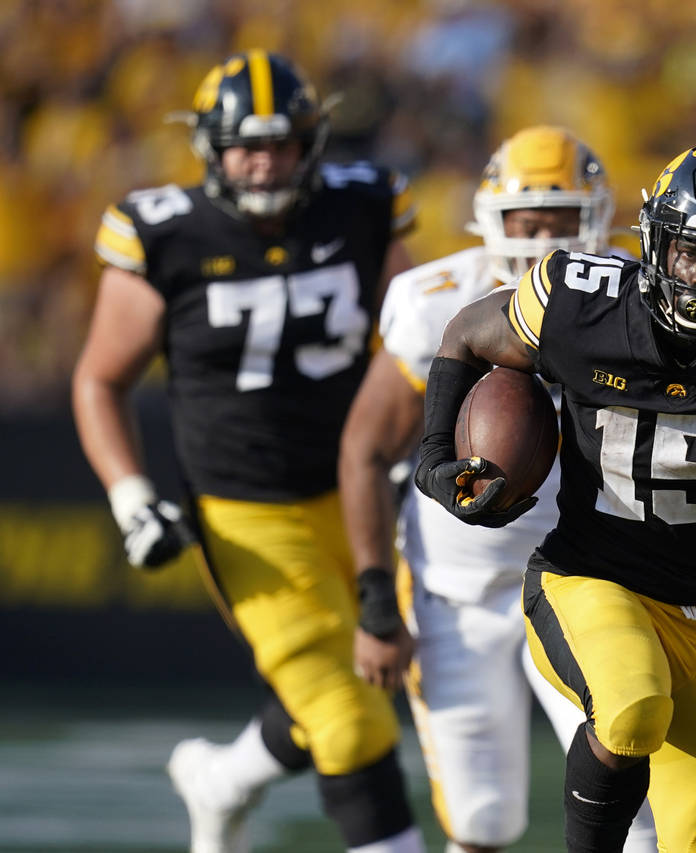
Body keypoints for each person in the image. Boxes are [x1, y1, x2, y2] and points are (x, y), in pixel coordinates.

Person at [407, 138, 696, 852]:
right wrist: (436, 456)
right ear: (655, 238)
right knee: (631, 706)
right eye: (687, 251)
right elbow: (468, 332)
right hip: (591, 577)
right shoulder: (582, 301)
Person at [71, 51, 426, 853]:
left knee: (384, 677)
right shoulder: (164, 232)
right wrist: (130, 496)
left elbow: (413, 345)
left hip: (362, 487)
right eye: (243, 145)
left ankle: (223, 778)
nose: (263, 161)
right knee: (346, 714)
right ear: (210, 148)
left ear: (312, 142)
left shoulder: (365, 207)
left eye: (281, 143)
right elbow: (99, 379)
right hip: (247, 510)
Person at [339, 124, 658, 853]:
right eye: (527, 220)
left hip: (583, 579)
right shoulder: (435, 301)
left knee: (635, 797)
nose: (545, 239)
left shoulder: (627, 298)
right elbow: (362, 449)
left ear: (598, 218)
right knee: (481, 820)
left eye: (563, 219)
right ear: (490, 218)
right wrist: (377, 602)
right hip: (457, 591)